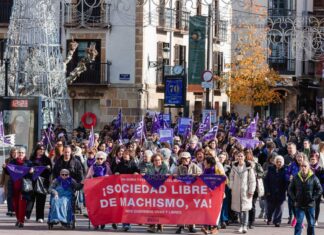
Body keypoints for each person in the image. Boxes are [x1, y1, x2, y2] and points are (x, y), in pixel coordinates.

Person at [288, 160, 322, 235]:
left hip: (310, 205)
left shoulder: (313, 177)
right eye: (302, 166)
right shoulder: (296, 177)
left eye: (305, 166)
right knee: (298, 224)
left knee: (311, 224)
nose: (303, 168)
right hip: (299, 204)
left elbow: (320, 189)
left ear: (309, 167)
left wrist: (313, 198)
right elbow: (290, 189)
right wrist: (294, 198)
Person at [3, 147, 33, 228]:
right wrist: (5, 168)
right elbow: (8, 172)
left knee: (22, 204)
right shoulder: (13, 162)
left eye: (22, 153)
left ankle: (21, 221)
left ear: (25, 154)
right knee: (15, 205)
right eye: (19, 152)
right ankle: (18, 219)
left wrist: (31, 172)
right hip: (14, 186)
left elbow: (32, 175)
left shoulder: (29, 163)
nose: (20, 154)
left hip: (24, 187)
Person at [229, 151, 256, 234]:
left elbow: (252, 180)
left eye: (241, 156)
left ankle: (245, 225)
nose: (240, 158)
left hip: (246, 191)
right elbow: (231, 177)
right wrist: (232, 186)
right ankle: (241, 225)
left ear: (244, 157)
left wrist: (251, 190)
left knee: (245, 209)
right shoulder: (234, 167)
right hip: (236, 191)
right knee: (239, 209)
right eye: (238, 156)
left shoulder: (248, 167)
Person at [175, 152, 202, 234]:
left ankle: (191, 226)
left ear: (190, 159)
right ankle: (180, 226)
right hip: (182, 191)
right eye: (183, 158)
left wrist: (194, 175)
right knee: (181, 209)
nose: (185, 160)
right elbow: (175, 176)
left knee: (191, 208)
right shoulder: (179, 168)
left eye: (187, 158)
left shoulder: (194, 166)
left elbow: (200, 173)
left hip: (192, 191)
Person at [86, 151, 112, 229]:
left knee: (103, 206)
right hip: (95, 189)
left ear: (104, 159)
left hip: (104, 189)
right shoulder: (92, 167)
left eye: (101, 159)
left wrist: (106, 177)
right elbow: (88, 177)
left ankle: (102, 221)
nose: (99, 160)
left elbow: (111, 176)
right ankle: (96, 223)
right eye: (98, 158)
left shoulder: (106, 167)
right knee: (96, 207)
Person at [26, 145, 52, 222]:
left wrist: (48, 168)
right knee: (30, 199)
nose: (41, 150)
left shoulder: (47, 159)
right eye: (40, 149)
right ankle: (27, 215)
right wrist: (30, 171)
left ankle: (40, 217)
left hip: (42, 182)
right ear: (36, 150)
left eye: (43, 149)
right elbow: (27, 168)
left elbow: (50, 171)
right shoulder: (31, 159)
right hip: (33, 181)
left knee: (41, 200)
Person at [146, 153, 169, 233]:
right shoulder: (149, 167)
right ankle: (152, 225)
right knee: (152, 207)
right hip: (152, 189)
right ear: (153, 161)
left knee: (161, 207)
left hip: (162, 189)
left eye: (159, 160)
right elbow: (147, 176)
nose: (157, 162)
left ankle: (160, 224)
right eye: (155, 160)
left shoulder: (165, 166)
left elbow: (165, 176)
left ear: (161, 160)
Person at [201, 156, 224, 235]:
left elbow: (224, 179)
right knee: (206, 209)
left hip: (216, 194)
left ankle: (215, 227)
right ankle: (206, 226)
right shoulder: (205, 170)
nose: (204, 163)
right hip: (207, 193)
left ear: (209, 163)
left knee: (215, 210)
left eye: (205, 161)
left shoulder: (217, 169)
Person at [264, 155, 289, 227]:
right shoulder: (271, 169)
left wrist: (287, 190)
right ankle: (269, 218)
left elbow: (286, 181)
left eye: (280, 162)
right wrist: (267, 190)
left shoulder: (285, 170)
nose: (279, 163)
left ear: (283, 163)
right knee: (270, 208)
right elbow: (266, 181)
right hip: (271, 192)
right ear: (275, 162)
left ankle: (277, 221)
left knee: (280, 207)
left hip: (281, 192)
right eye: (277, 162)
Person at [0, 147, 17, 217]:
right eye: (13, 152)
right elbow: (4, 172)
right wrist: (2, 182)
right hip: (8, 180)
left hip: (17, 180)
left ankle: (14, 210)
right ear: (11, 153)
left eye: (16, 152)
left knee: (15, 196)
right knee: (9, 196)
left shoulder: (19, 160)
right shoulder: (7, 160)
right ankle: (10, 210)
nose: (15, 154)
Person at [309, 152, 324, 226]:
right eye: (311, 159)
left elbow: (322, 180)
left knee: (317, 205)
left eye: (314, 159)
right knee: (309, 205)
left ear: (317, 160)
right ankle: (310, 219)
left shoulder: (320, 169)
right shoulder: (307, 168)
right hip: (308, 189)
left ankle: (316, 220)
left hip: (317, 190)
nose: (312, 161)